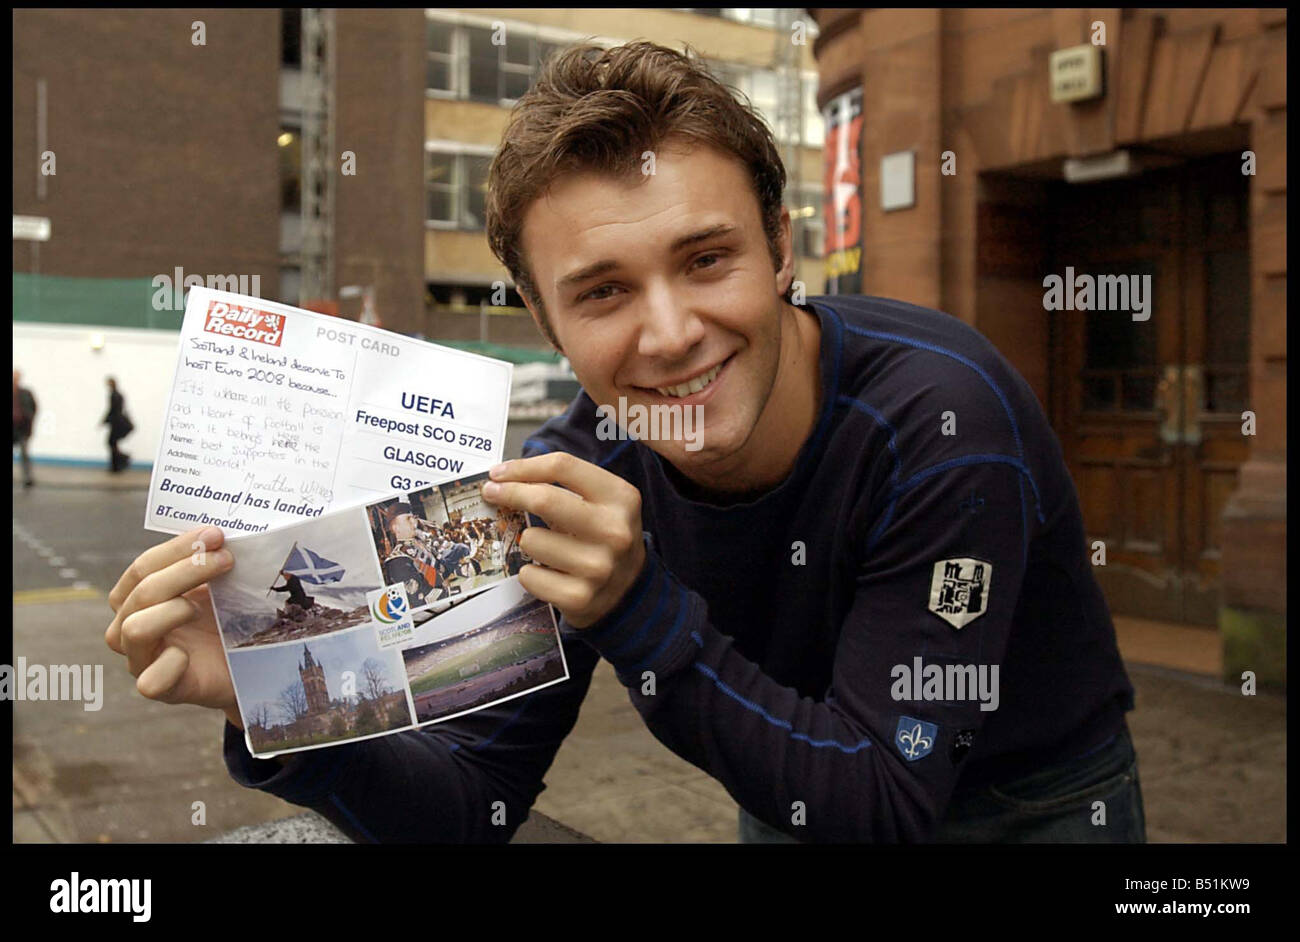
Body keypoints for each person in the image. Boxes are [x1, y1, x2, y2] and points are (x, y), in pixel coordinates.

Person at [105, 41, 1143, 844]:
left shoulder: (941, 420)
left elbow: (882, 802)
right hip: (785, 784)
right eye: (602, 291)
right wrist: (276, 708)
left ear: (782, 248)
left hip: (1034, 805)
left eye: (705, 258)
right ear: (546, 324)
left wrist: (638, 613)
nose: (670, 332)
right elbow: (474, 808)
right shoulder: (573, 476)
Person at [102, 377, 133, 472]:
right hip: (119, 421)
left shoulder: (113, 395)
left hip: (116, 422)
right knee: (113, 443)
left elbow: (112, 409)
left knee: (111, 443)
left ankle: (121, 460)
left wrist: (105, 420)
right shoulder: (119, 395)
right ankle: (116, 465)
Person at [12, 370, 37, 488]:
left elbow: (34, 407)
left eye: (16, 377)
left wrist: (29, 418)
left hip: (22, 428)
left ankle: (27, 478)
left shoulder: (26, 393)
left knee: (24, 453)